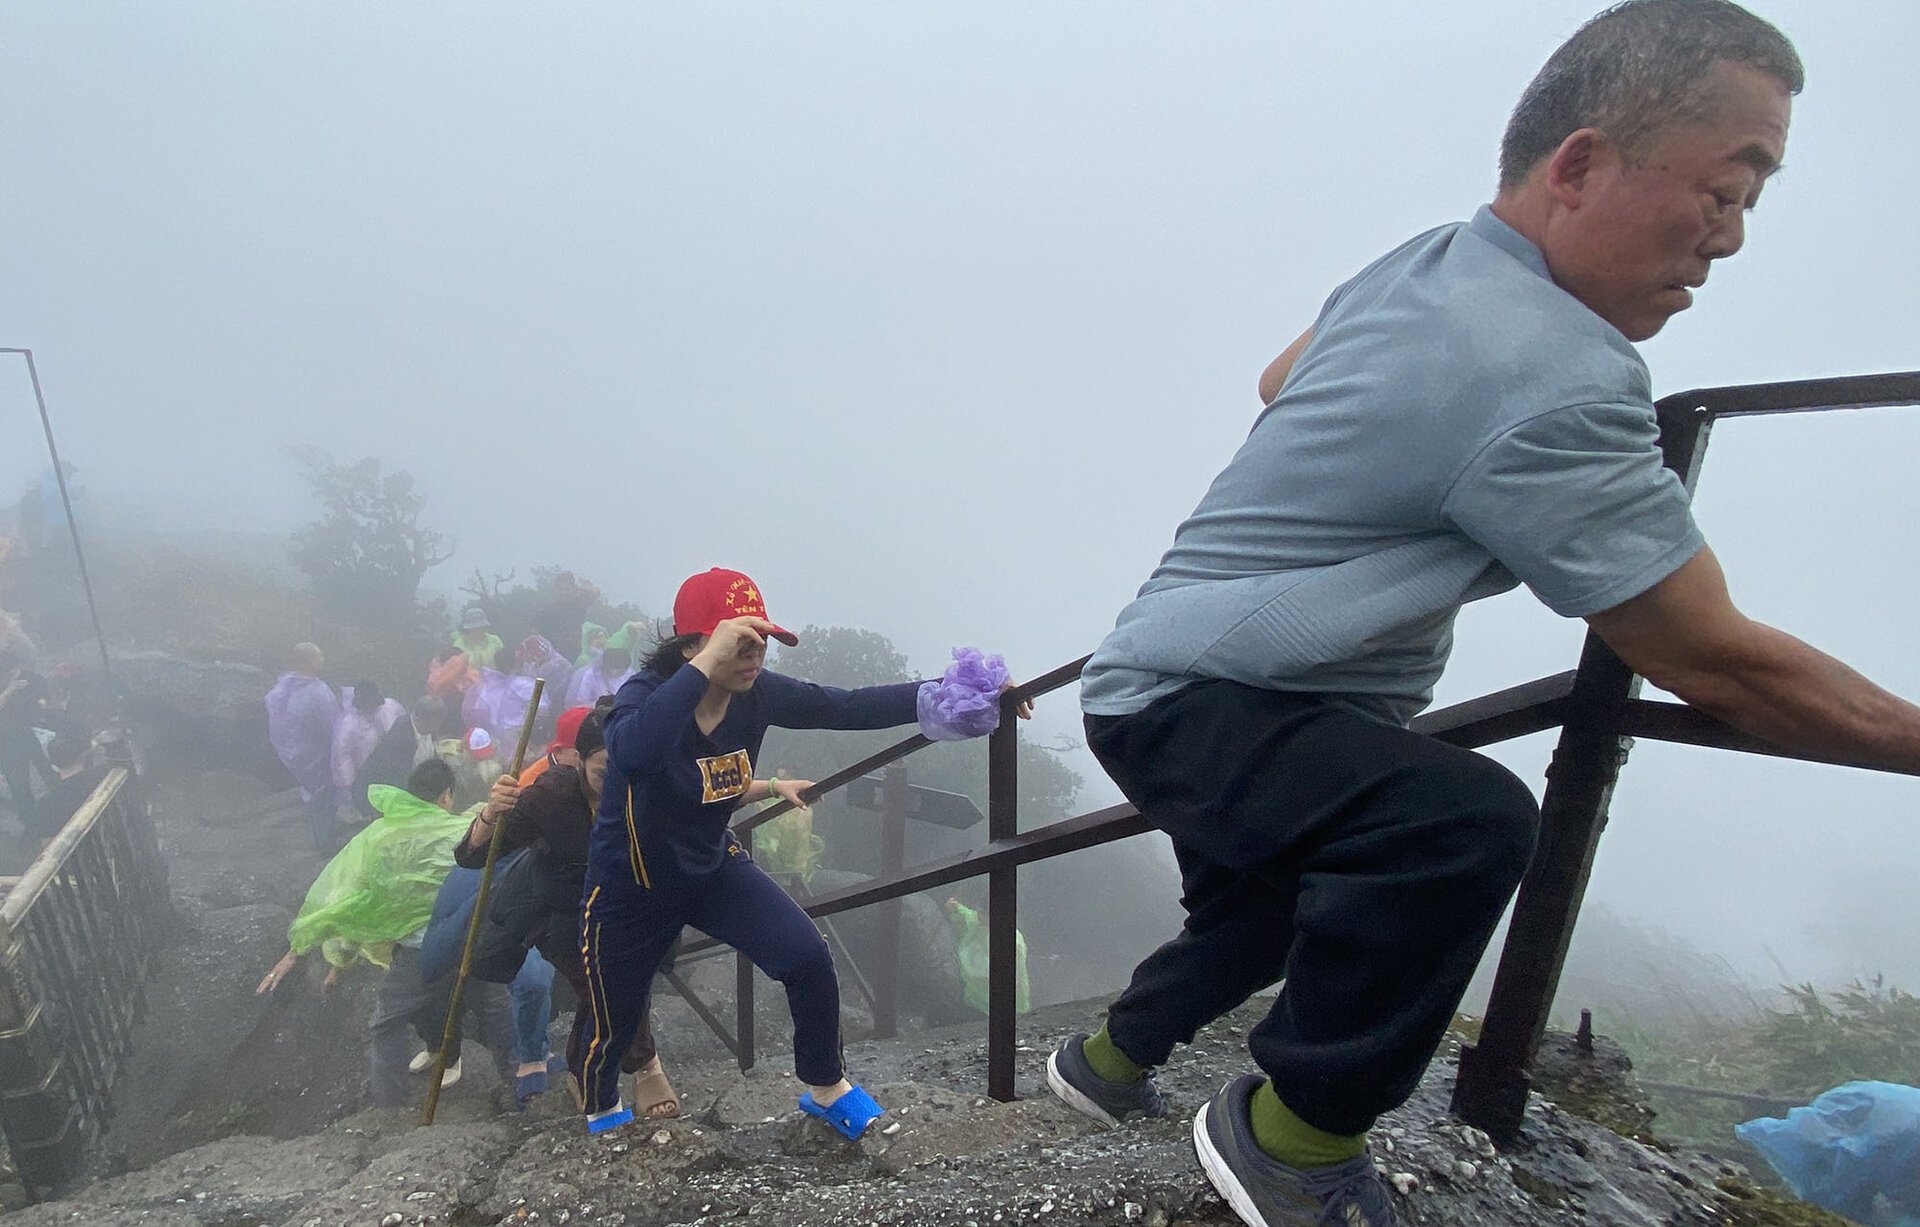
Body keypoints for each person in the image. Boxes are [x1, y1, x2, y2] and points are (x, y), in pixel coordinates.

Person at [1039, 6, 1920, 1224]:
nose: (1730, 239)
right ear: (1580, 167)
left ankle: (1100, 1068)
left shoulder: (1428, 260)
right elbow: (1716, 663)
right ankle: (1292, 1144)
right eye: (1724, 190)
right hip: (1219, 696)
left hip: (1165, 675)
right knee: (1451, 828)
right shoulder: (1552, 375)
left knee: (1270, 910)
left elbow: (1278, 378)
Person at [577, 567, 1026, 1137]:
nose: (756, 654)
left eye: (762, 640)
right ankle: (601, 1109)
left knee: (807, 958)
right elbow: (634, 753)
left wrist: (969, 691)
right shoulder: (643, 698)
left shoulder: (757, 695)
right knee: (611, 1021)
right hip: (630, 885)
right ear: (696, 644)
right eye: (741, 640)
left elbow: (846, 706)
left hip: (712, 866)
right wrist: (701, 670)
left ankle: (825, 1085)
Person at [457, 705, 681, 1117]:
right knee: (607, 987)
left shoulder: (649, 788)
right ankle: (646, 1067)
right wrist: (491, 813)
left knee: (603, 992)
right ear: (578, 761)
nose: (614, 783)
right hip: (562, 914)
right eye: (601, 772)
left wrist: (773, 786)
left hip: (627, 910)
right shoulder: (551, 798)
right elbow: (474, 857)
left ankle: (582, 1075)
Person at [256, 758, 517, 1108]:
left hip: (419, 954)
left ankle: (390, 1105)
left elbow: (353, 901)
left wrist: (322, 957)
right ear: (445, 796)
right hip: (471, 942)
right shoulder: (461, 831)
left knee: (388, 1022)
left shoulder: (378, 839)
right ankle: (521, 1084)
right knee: (495, 1012)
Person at [264, 642, 341, 851]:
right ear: (308, 661)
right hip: (318, 755)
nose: (323, 660)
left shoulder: (283, 686)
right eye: (319, 656)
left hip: (295, 753)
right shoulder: (318, 693)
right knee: (324, 798)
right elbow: (331, 727)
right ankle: (325, 844)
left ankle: (318, 836)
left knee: (311, 794)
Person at [355, 695, 446, 816]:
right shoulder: (400, 741)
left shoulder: (424, 727)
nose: (437, 728)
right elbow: (399, 782)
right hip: (379, 794)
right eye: (434, 724)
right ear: (419, 719)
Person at [331, 681, 406, 823]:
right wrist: (349, 784)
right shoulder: (348, 725)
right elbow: (342, 757)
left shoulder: (391, 707)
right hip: (367, 773)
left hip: (393, 766)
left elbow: (405, 725)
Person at [0, 649, 55, 834]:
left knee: (47, 770)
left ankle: (61, 801)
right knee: (19, 783)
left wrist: (42, 702)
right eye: (6, 673)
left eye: (13, 672)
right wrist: (9, 690)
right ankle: (30, 823)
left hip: (30, 732)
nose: (11, 676)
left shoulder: (30, 679)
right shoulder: (7, 685)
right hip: (6, 740)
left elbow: (43, 694)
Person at [565, 645, 632, 710]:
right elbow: (578, 704)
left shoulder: (629, 674)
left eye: (624, 669)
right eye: (617, 668)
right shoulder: (589, 675)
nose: (622, 672)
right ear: (607, 665)